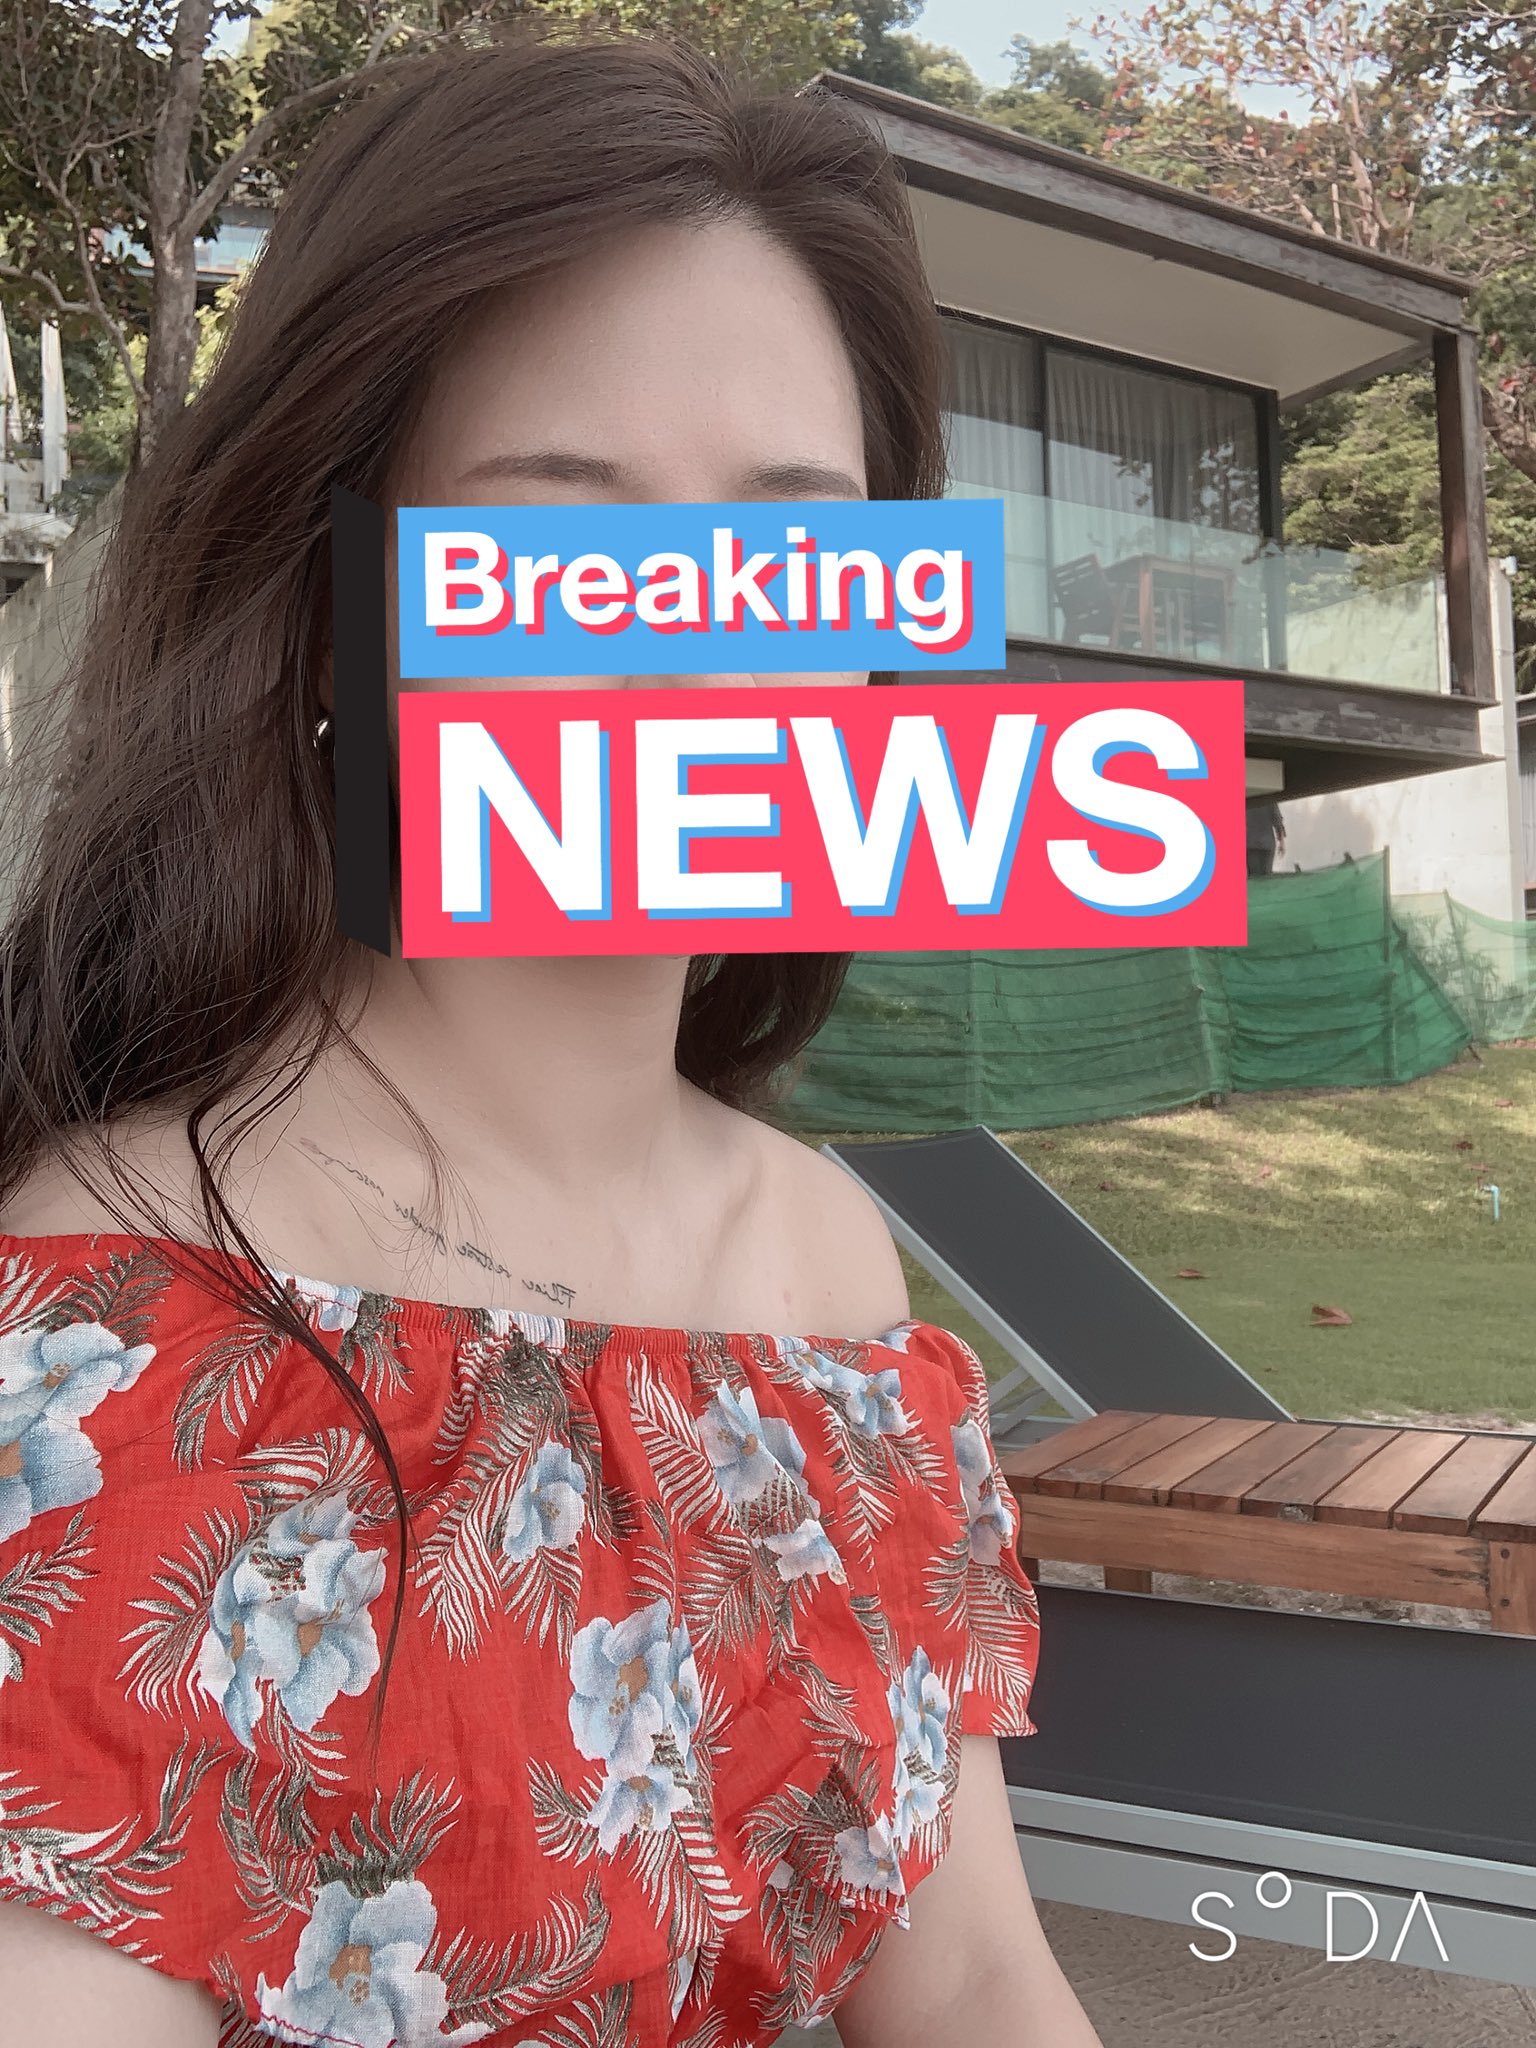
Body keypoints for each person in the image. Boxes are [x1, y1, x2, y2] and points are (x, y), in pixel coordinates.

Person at [0, 29, 1100, 2048]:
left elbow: (976, 1972)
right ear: (329, 607)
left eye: (793, 538)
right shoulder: (114, 1330)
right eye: (559, 534)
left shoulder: (833, 1276)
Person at [1246, 799, 1286, 878]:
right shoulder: (1269, 798)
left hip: (1250, 844)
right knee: (1267, 875)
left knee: (1254, 876)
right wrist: (1282, 842)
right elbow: (1277, 819)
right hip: (1267, 844)